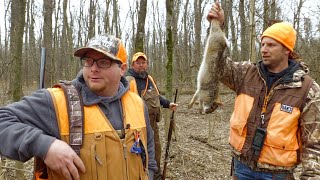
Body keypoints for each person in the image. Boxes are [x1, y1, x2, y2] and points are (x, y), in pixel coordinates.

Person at [0, 34, 157, 180]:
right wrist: (45, 146)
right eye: (88, 61)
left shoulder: (137, 103)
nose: (93, 68)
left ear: (122, 69)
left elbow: (148, 153)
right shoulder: (57, 101)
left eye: (103, 62)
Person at [207, 2, 320, 180]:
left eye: (271, 45)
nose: (264, 50)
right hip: (241, 168)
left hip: (278, 174)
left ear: (287, 50)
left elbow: (314, 143)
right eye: (263, 44)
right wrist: (217, 27)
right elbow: (216, 66)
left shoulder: (307, 89)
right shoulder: (245, 73)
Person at [125, 52, 178, 180]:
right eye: (138, 63)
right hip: (136, 128)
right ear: (133, 65)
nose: (141, 65)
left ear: (147, 64)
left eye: (143, 63)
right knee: (139, 155)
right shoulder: (129, 80)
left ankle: (156, 176)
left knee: (155, 153)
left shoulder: (150, 79)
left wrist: (168, 104)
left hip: (153, 126)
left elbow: (156, 96)